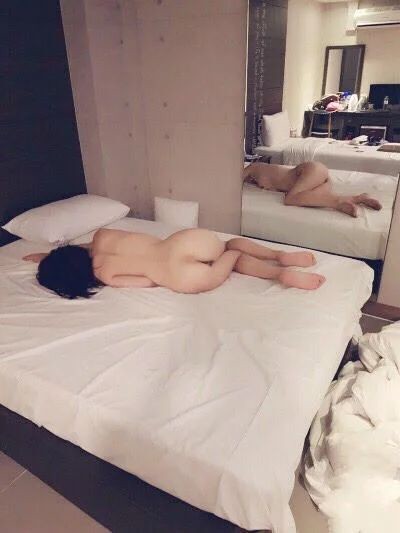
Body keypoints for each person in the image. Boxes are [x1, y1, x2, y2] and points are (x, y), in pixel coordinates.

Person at [23, 228, 325, 299]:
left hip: (180, 276)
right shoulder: (102, 236)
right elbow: (86, 248)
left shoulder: (106, 276)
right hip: (182, 243)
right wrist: (49, 255)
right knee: (230, 245)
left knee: (231, 258)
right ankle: (278, 257)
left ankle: (279, 274)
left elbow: (148, 282)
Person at [243, 161, 382, 218]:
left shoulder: (254, 166)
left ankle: (337, 203)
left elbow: (235, 180)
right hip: (319, 179)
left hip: (309, 171)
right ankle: (358, 198)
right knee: (310, 198)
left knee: (290, 199)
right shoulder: (256, 177)